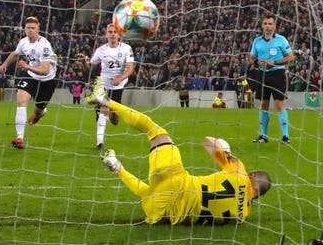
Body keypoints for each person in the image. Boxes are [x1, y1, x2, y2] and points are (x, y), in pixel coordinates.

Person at [90, 80, 272, 225]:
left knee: (154, 130)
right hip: (162, 212)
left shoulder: (239, 171)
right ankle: (116, 167)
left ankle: (104, 99)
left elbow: (207, 143)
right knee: (149, 194)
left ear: (252, 174)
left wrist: (226, 150)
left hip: (174, 177)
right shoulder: (242, 216)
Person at [0, 16, 57, 149]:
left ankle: (39, 115)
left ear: (38, 29)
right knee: (21, 101)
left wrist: (27, 66)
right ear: (24, 29)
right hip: (30, 77)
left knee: (38, 111)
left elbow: (45, 70)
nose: (30, 30)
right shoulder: (23, 42)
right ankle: (20, 138)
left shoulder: (44, 45)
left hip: (47, 81)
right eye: (28, 28)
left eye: (33, 28)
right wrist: (5, 64)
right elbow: (15, 53)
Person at [85, 23, 134, 150]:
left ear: (119, 35)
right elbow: (90, 65)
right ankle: (100, 142)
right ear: (106, 34)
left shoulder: (126, 49)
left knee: (114, 120)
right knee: (103, 109)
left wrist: (120, 78)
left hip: (119, 86)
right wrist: (83, 61)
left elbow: (130, 69)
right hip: (104, 85)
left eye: (115, 32)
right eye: (110, 32)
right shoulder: (101, 50)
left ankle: (109, 113)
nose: (112, 34)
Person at [248, 13, 296, 144]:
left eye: (270, 24)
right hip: (262, 75)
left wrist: (274, 63)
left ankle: (286, 136)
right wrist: (258, 62)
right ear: (262, 26)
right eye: (265, 24)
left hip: (277, 74)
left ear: (274, 26)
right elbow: (251, 58)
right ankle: (263, 136)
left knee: (279, 104)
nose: (268, 26)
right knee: (263, 104)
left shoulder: (281, 40)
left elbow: (291, 57)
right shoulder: (257, 41)